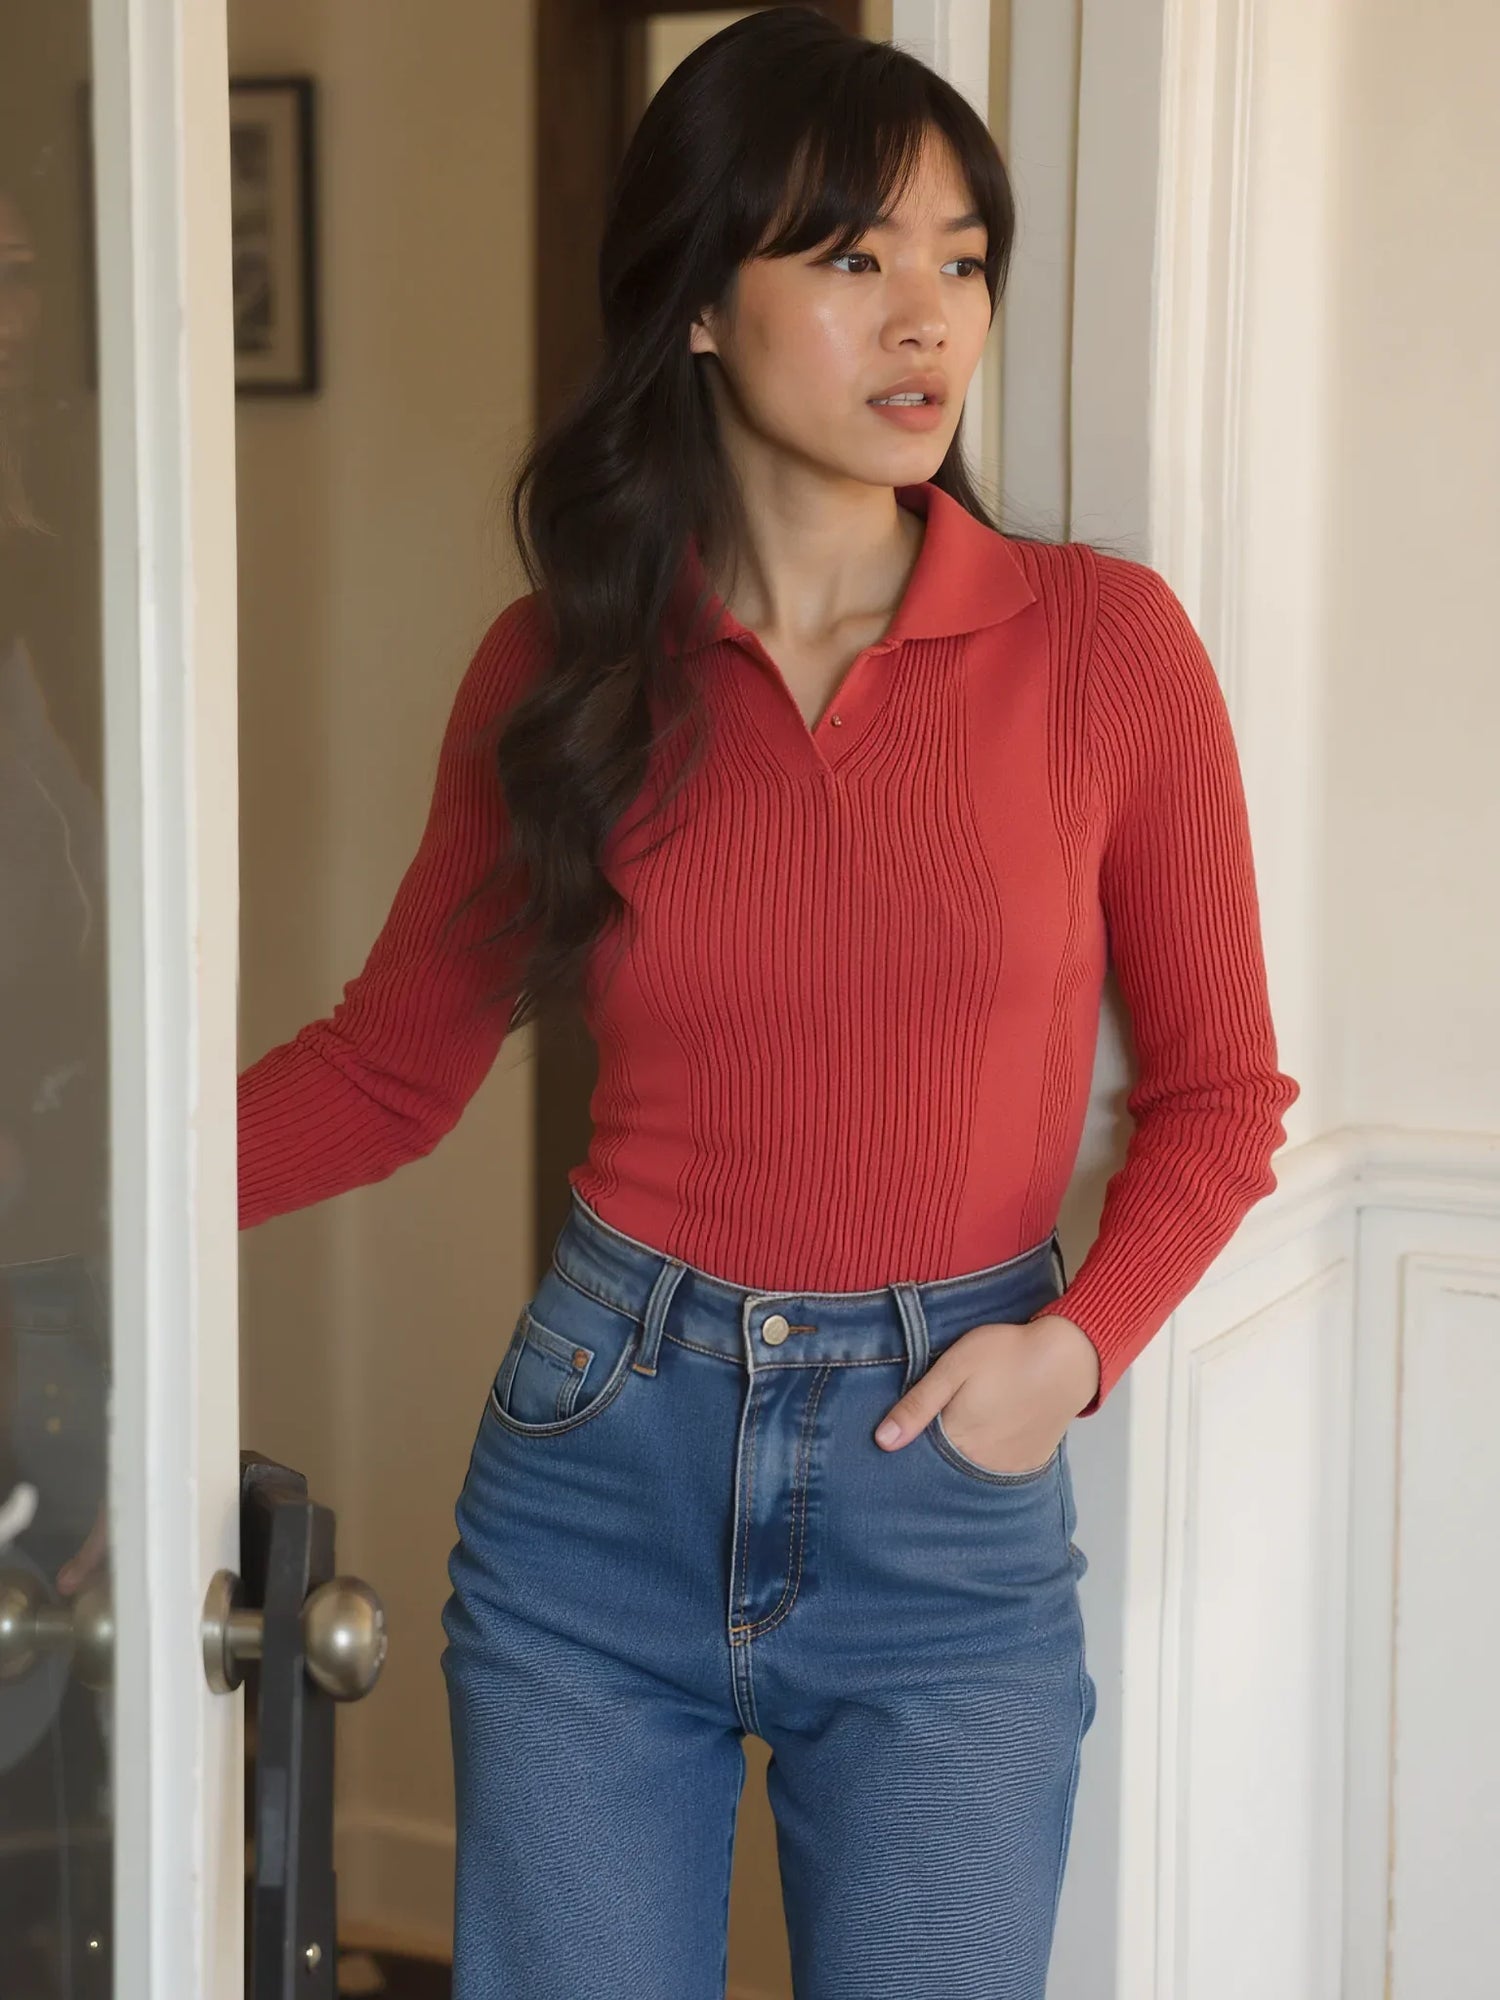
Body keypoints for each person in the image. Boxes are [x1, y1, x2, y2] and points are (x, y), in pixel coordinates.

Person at [237, 10, 1299, 1996]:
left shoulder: (1104, 650)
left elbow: (1227, 1092)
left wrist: (1072, 1355)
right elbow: (386, 1073)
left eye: (961, 257)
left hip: (944, 1484)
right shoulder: (561, 670)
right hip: (599, 1461)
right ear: (703, 305)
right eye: (852, 255)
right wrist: (75, 1216)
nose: (927, 316)